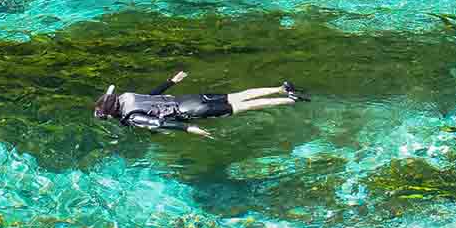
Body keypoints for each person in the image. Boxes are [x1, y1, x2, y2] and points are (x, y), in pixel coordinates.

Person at [92, 70, 305, 137]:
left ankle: (288, 99)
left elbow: (159, 124)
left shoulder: (131, 117)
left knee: (245, 106)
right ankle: (282, 88)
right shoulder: (126, 97)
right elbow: (152, 96)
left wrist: (189, 128)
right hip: (189, 99)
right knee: (238, 95)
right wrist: (171, 82)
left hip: (192, 109)